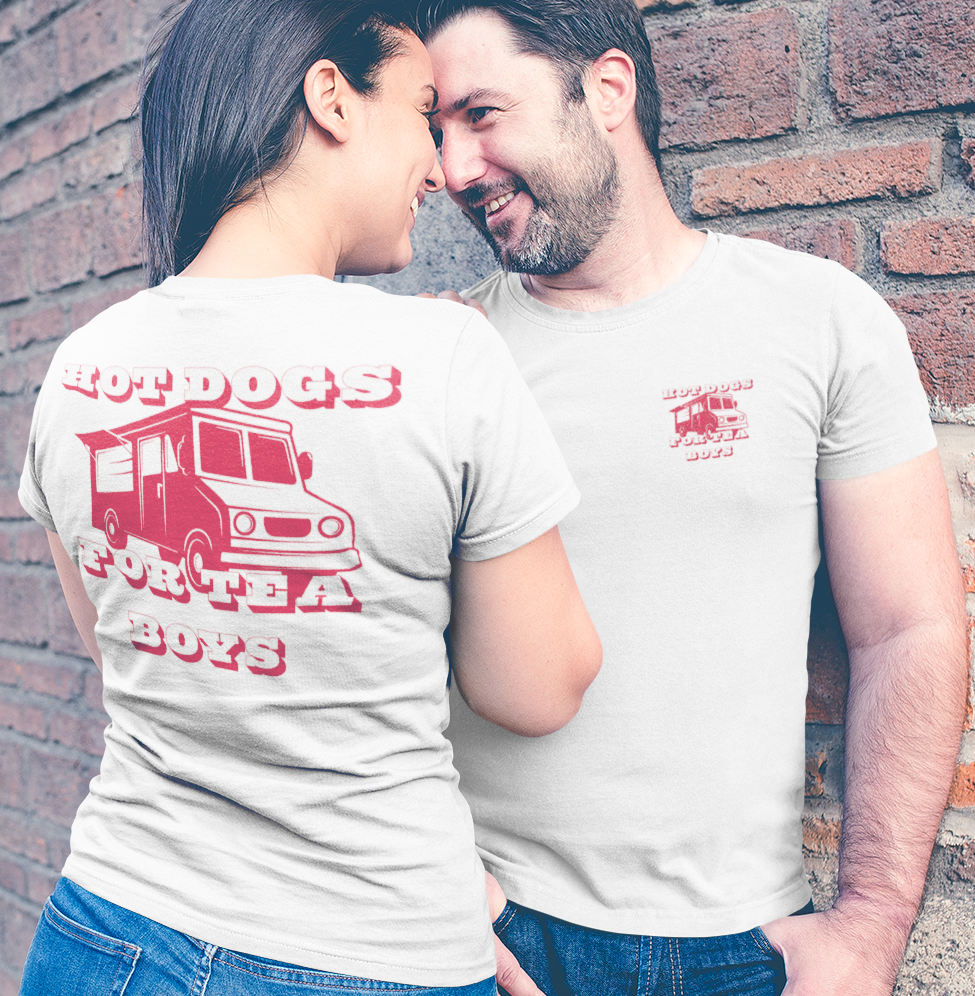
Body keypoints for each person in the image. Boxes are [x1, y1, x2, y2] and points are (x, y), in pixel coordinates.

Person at [15, 2, 602, 994]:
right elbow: (537, 687)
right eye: (421, 111)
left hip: (107, 930)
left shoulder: (82, 367)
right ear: (331, 97)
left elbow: (130, 654)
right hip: (368, 950)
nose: (438, 167)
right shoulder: (443, 355)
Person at [415, 1, 970, 994]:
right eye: (435, 132)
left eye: (481, 115)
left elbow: (909, 627)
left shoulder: (818, 320)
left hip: (741, 948)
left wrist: (874, 924)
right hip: (485, 933)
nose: (454, 170)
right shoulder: (439, 354)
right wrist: (436, 887)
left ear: (607, 89)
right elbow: (363, 657)